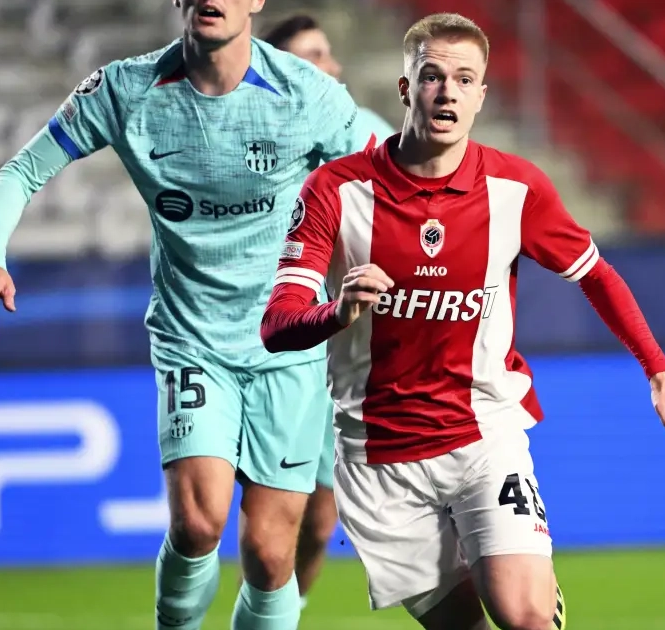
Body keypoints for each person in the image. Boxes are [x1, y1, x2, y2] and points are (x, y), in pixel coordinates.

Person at [260, 12, 665, 630]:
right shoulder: (333, 190)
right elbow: (277, 323)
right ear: (405, 88)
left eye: (464, 79)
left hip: (483, 436)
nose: (447, 92)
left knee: (523, 617)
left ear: (481, 96)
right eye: (432, 76)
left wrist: (660, 371)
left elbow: (596, 274)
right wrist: (336, 311)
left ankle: (533, 599)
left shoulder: (516, 188)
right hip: (377, 457)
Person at [0, 1, 377, 629]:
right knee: (198, 522)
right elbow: (22, 170)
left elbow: (391, 184)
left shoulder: (307, 93)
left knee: (271, 555)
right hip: (193, 339)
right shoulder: (126, 90)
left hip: (288, 345)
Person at [259, 13, 396, 608]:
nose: (332, 67)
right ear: (281, 70)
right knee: (269, 522)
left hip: (338, 344)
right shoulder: (249, 130)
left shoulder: (366, 129)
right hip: (272, 339)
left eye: (329, 53)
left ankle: (281, 616)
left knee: (319, 522)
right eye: (315, 56)